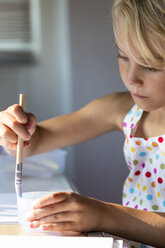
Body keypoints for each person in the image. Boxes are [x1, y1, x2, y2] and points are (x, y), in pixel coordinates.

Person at [0, 0, 165, 247]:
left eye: (151, 65)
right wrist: (17, 134)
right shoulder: (123, 110)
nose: (132, 78)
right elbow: (37, 142)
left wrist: (104, 215)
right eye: (122, 56)